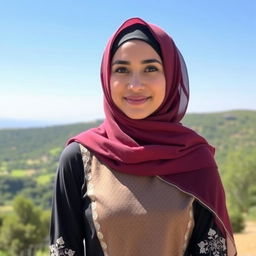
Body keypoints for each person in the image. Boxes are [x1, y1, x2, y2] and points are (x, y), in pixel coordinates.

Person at [49, 17, 237, 256]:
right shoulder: (80, 157)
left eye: (150, 68)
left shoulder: (197, 160)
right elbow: (64, 250)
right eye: (122, 70)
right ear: (107, 78)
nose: (135, 85)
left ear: (170, 75)